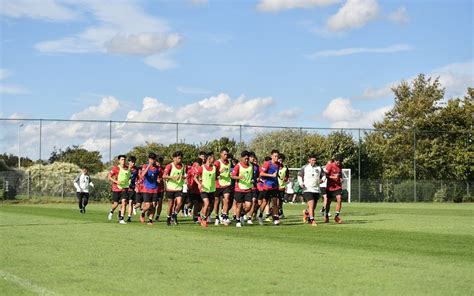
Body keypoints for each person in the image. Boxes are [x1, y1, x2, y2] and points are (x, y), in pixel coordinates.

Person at [298, 154, 324, 226]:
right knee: (311, 204)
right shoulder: (305, 167)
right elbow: (300, 176)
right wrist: (301, 183)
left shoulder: (319, 168)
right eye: (312, 160)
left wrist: (322, 180)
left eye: (315, 160)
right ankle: (312, 220)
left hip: (316, 189)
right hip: (307, 189)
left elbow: (324, 175)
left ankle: (306, 213)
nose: (314, 161)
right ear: (309, 160)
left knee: (313, 207)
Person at [194, 152, 218, 228]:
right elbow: (195, 177)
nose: (214, 159)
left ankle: (204, 217)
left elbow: (216, 176)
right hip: (204, 189)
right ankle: (203, 220)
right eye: (212, 158)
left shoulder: (214, 168)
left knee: (210, 207)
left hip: (212, 189)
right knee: (206, 203)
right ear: (209, 159)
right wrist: (199, 183)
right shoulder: (202, 167)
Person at [231, 150, 254, 227]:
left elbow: (251, 175)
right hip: (239, 189)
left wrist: (252, 179)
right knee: (239, 206)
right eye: (245, 158)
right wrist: (239, 177)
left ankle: (241, 214)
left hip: (248, 188)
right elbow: (232, 176)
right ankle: (238, 220)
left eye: (248, 158)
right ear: (241, 158)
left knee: (249, 206)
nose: (247, 160)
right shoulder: (238, 166)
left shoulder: (251, 165)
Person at [258, 150, 281, 225]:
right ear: (272, 156)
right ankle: (260, 215)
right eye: (275, 156)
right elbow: (261, 173)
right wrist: (271, 176)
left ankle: (275, 217)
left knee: (275, 202)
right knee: (265, 202)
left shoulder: (278, 164)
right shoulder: (267, 164)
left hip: (274, 186)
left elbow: (275, 173)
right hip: (267, 186)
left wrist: (279, 177)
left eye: (277, 156)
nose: (276, 157)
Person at [163, 151, 185, 226]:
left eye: (181, 158)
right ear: (174, 158)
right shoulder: (170, 166)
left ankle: (174, 215)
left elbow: (185, 175)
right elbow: (164, 176)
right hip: (170, 188)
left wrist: (183, 177)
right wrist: (172, 177)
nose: (180, 160)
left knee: (180, 202)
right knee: (171, 204)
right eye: (179, 158)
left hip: (179, 188)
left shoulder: (183, 166)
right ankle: (168, 218)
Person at [107, 155, 130, 224]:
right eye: (122, 160)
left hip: (124, 188)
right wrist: (116, 181)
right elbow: (109, 176)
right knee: (116, 204)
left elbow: (128, 177)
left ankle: (121, 219)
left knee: (124, 202)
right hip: (116, 188)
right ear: (119, 161)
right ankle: (111, 211)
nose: (123, 161)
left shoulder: (127, 168)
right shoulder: (115, 168)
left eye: (124, 160)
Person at [139, 152, 160, 225]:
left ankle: (150, 220)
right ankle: (142, 212)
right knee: (148, 206)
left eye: (153, 159)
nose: (152, 161)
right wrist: (148, 166)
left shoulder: (157, 168)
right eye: (151, 159)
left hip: (155, 189)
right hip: (146, 189)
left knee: (154, 205)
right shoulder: (145, 166)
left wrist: (158, 179)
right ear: (148, 159)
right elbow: (142, 175)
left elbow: (159, 175)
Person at [214, 147, 232, 225]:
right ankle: (217, 217)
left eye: (227, 154)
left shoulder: (229, 162)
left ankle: (224, 216)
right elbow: (212, 173)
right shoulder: (217, 163)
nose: (226, 156)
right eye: (224, 154)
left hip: (227, 184)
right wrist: (218, 173)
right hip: (218, 185)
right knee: (217, 202)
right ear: (221, 154)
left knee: (226, 199)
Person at [325, 155, 344, 224]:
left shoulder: (340, 166)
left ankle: (337, 216)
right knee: (328, 202)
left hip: (338, 186)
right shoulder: (330, 166)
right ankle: (326, 215)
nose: (339, 164)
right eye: (338, 162)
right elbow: (325, 175)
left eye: (340, 162)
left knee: (339, 199)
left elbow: (340, 174)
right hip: (330, 187)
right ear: (335, 160)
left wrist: (341, 178)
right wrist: (332, 177)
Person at [187, 157, 203, 223]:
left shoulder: (201, 169)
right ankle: (195, 218)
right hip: (193, 189)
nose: (199, 165)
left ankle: (189, 210)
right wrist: (188, 185)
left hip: (200, 189)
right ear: (196, 163)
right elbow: (188, 178)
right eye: (198, 164)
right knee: (195, 203)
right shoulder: (191, 169)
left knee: (200, 203)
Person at [246, 152, 259, 224]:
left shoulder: (256, 167)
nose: (252, 158)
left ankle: (249, 218)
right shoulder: (244, 166)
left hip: (253, 187)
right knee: (246, 204)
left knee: (254, 201)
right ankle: (241, 214)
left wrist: (258, 179)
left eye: (253, 157)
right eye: (251, 157)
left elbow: (259, 175)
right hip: (244, 187)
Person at [126, 156, 138, 222]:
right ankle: (122, 215)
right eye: (131, 162)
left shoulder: (137, 169)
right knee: (125, 202)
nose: (132, 164)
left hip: (133, 187)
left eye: (133, 162)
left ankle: (129, 217)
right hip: (126, 187)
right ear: (129, 162)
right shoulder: (126, 168)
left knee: (132, 202)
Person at [277, 153, 289, 218]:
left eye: (281, 160)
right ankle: (274, 212)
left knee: (280, 200)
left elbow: (287, 176)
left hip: (282, 186)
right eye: (279, 159)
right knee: (275, 200)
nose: (280, 161)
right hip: (275, 186)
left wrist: (285, 179)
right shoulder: (274, 167)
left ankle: (280, 212)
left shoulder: (285, 167)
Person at [154, 156, 165, 221]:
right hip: (154, 188)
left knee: (160, 202)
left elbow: (165, 177)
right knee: (154, 203)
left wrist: (161, 179)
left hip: (161, 188)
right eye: (158, 162)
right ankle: (150, 213)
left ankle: (157, 216)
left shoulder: (163, 169)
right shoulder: (153, 168)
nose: (159, 164)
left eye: (160, 162)